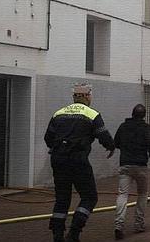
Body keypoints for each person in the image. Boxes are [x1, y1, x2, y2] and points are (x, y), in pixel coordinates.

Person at [44, 83, 115, 242]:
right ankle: (74, 232)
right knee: (89, 197)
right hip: (78, 160)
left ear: (74, 97)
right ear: (87, 96)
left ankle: (57, 235)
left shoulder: (59, 113)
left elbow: (48, 138)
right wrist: (111, 147)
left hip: (58, 160)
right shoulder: (92, 114)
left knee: (62, 198)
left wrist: (57, 148)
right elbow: (103, 135)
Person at [112, 104, 150, 240]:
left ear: (132, 114)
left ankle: (119, 225)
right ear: (144, 115)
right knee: (142, 194)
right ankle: (139, 224)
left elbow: (116, 143)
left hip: (125, 165)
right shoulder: (146, 128)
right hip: (141, 166)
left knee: (123, 194)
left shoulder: (123, 126)